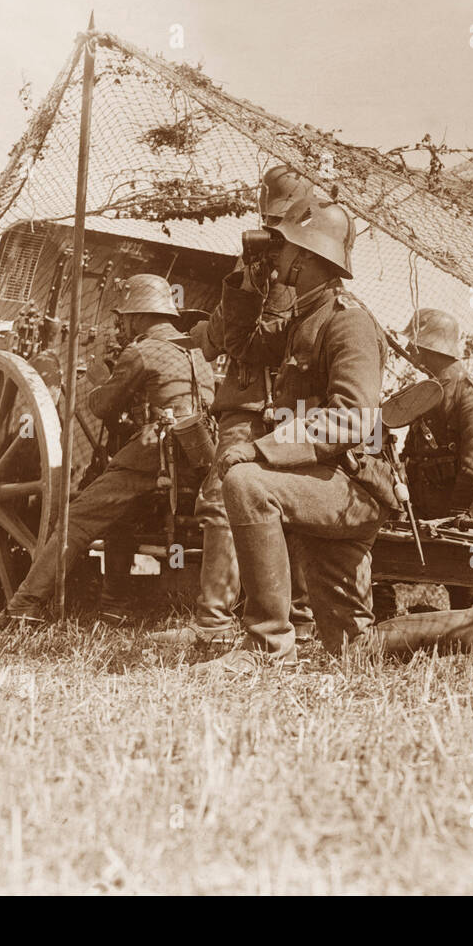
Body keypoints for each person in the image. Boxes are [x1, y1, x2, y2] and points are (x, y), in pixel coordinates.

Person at [206, 186, 400, 668]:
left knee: (247, 483)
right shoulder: (305, 315)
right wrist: (246, 284)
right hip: (327, 484)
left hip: (354, 486)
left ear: (306, 255)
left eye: (285, 245)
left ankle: (267, 645)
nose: (276, 252)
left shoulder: (346, 320)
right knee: (353, 647)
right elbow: (245, 348)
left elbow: (352, 418)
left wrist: (261, 451)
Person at [144, 167, 319, 650]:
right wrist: (244, 282)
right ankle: (215, 623)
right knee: (221, 498)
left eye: (281, 222)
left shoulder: (312, 273)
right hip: (245, 407)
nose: (273, 234)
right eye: (269, 221)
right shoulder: (250, 274)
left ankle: (298, 621)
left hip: (292, 408)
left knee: (296, 505)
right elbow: (220, 341)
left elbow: (275, 344)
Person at [4, 273, 214, 622]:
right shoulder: (199, 354)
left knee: (79, 519)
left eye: (126, 319)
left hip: (155, 455)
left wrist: (99, 379)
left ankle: (24, 606)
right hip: (198, 456)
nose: (124, 326)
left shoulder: (141, 351)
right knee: (120, 513)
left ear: (138, 317)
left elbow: (102, 408)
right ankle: (114, 605)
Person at [374, 307, 473, 616]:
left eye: (415, 344)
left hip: (468, 523)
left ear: (429, 346)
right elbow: (411, 459)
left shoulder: (470, 397)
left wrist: (452, 520)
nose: (410, 352)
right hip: (431, 521)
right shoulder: (427, 395)